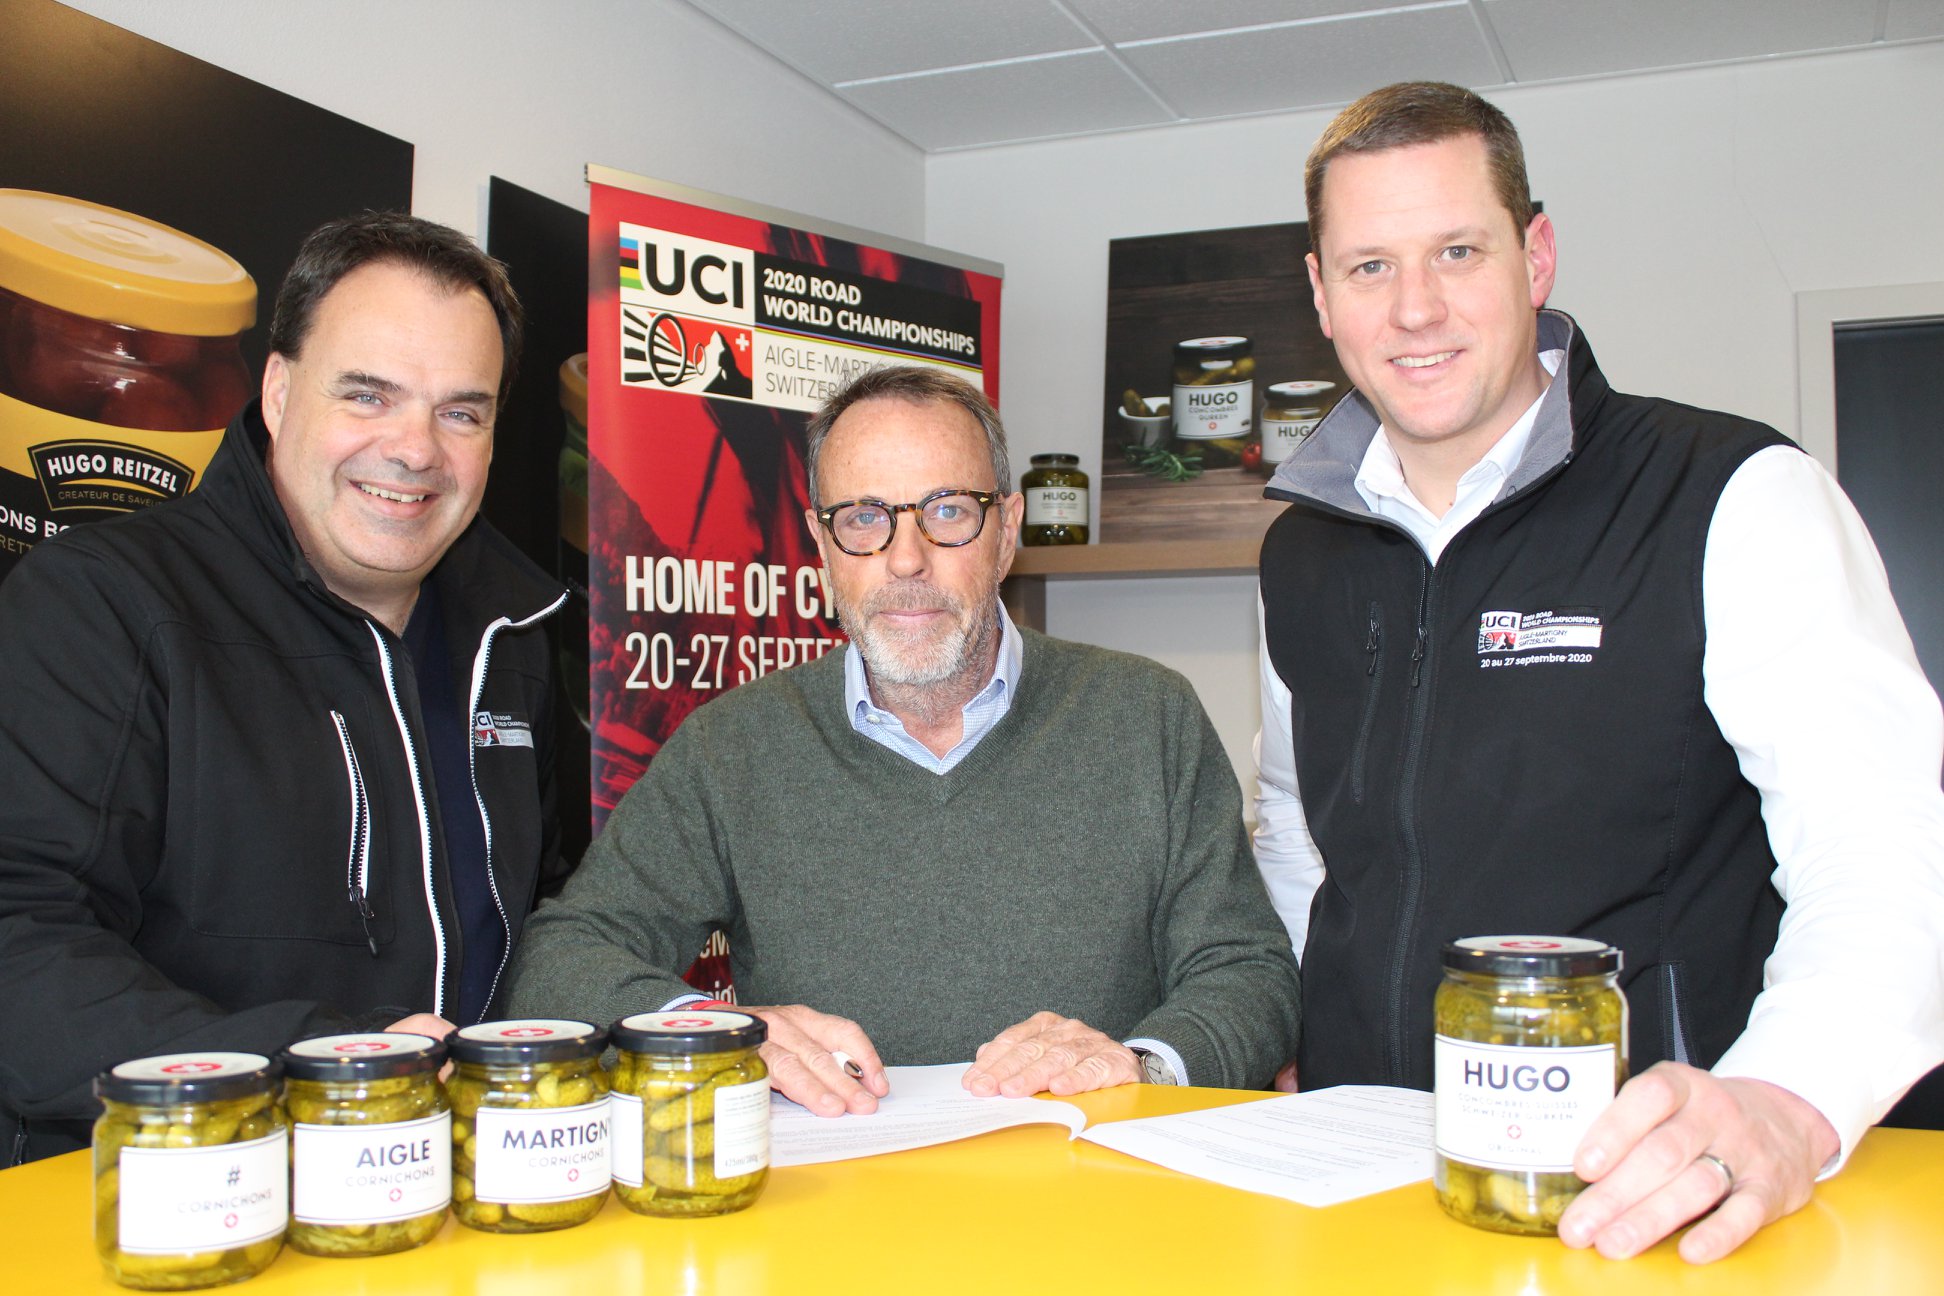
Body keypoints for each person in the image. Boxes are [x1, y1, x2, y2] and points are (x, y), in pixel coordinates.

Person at [1254, 81, 1944, 1262]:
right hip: (1372, 1177)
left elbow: (1883, 854)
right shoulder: (1298, 553)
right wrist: (1304, 1035)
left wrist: (1787, 1102)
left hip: (1658, 1194)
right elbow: (1294, 830)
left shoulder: (1732, 494)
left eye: (1457, 251)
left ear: (1536, 256)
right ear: (1321, 294)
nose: (1415, 308)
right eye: (1370, 267)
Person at [507, 364, 1300, 1114]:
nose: (905, 559)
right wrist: (717, 1034)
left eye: (947, 511)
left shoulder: (1148, 716)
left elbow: (1249, 973)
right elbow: (563, 957)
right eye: (863, 518)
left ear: (1008, 531)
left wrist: (1141, 1067)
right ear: (821, 548)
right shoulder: (731, 748)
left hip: (1093, 1181)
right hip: (831, 1196)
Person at [0, 213, 569, 1163]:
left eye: (461, 413)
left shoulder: (511, 635)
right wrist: (315, 1068)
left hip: (460, 1188)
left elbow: (537, 918)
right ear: (276, 391)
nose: (415, 449)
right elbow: (18, 936)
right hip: (175, 1191)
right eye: (368, 395)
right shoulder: (108, 605)